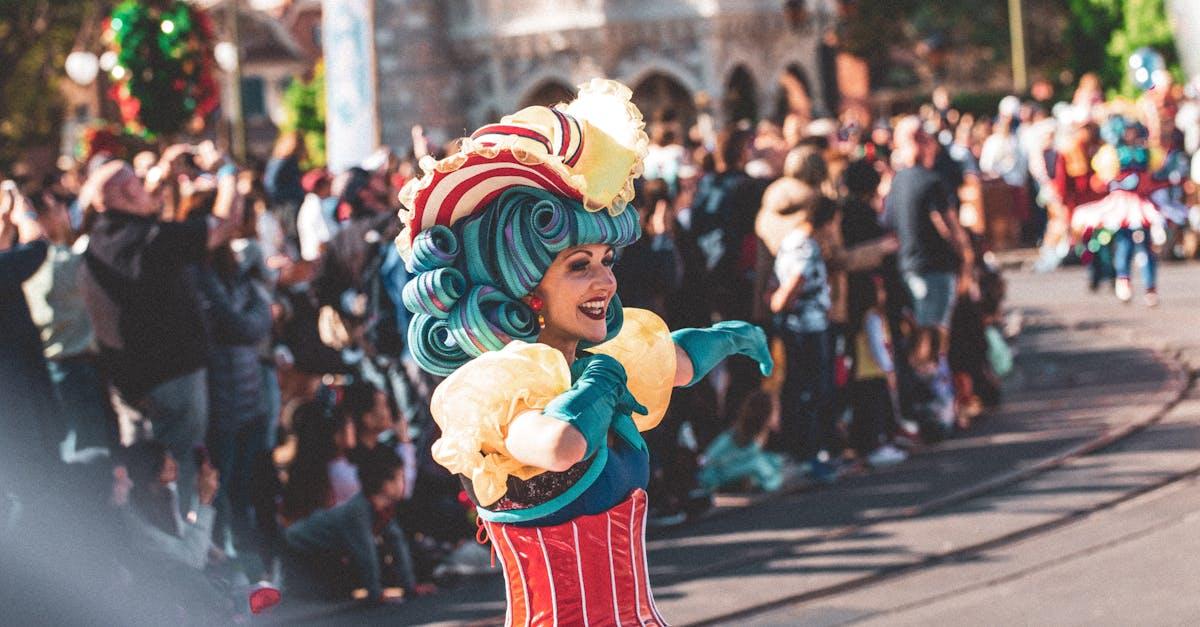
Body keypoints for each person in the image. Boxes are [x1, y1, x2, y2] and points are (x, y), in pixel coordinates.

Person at [397, 79, 771, 624]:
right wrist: (598, 385)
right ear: (526, 284)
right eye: (579, 265)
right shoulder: (495, 389)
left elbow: (676, 361)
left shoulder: (589, 362)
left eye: (606, 259)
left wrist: (732, 336)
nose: (606, 282)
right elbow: (558, 444)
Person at [79, 159, 243, 515]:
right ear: (124, 194)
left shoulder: (102, 240)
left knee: (145, 472)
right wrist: (227, 172)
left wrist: (166, 177)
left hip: (130, 386)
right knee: (181, 471)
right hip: (173, 382)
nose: (146, 186)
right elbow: (224, 224)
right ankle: (187, 545)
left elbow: (156, 215)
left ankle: (161, 544)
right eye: (138, 182)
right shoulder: (147, 240)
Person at [22, 187, 112, 464]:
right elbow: (77, 272)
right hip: (70, 368)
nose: (65, 213)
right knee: (89, 452)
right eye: (56, 208)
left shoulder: (24, 259)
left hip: (70, 366)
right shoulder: (46, 262)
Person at [283, 445, 427, 603]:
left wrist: (410, 586)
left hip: (322, 550)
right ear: (386, 485)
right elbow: (366, 553)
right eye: (400, 477)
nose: (404, 482)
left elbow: (397, 542)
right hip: (298, 546)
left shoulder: (381, 509)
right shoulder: (358, 511)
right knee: (327, 591)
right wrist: (376, 593)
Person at [698, 389, 785, 493]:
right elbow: (708, 458)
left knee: (774, 461)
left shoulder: (761, 435)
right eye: (776, 409)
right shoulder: (736, 434)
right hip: (713, 475)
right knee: (758, 463)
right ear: (765, 412)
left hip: (730, 471)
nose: (778, 414)